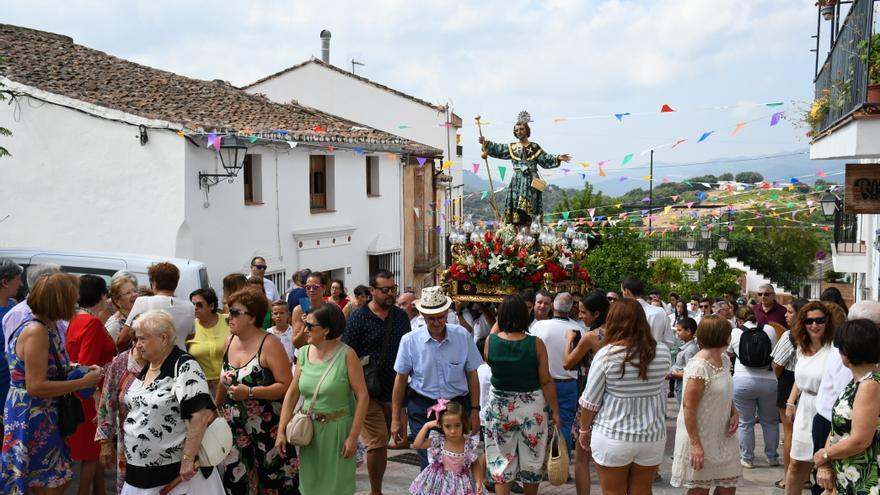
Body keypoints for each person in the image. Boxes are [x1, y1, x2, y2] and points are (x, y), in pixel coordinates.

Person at [1, 272, 105, 494]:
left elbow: (43, 368)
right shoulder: (36, 331)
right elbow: (35, 385)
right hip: (33, 414)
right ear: (60, 301)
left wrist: (78, 369)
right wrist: (82, 382)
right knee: (50, 483)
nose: (76, 301)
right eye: (72, 297)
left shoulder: (44, 327)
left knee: (53, 479)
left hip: (40, 413)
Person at [577, 298, 672, 495]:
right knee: (643, 490)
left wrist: (584, 430)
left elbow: (590, 402)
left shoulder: (606, 355)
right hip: (651, 435)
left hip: (613, 434)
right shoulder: (662, 352)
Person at [122, 310, 223, 493]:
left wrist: (188, 458)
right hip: (140, 472)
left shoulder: (184, 366)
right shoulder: (150, 366)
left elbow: (200, 414)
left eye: (143, 339)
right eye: (136, 340)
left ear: (163, 338)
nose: (137, 345)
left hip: (175, 476)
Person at [276, 302, 369, 495]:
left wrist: (353, 437)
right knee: (310, 488)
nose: (304, 330)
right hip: (309, 434)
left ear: (326, 329)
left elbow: (363, 397)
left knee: (337, 489)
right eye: (304, 324)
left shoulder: (347, 355)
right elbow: (293, 393)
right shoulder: (302, 353)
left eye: (310, 326)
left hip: (338, 434)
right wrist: (281, 431)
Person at [215, 286, 298, 494]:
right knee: (235, 482)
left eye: (234, 313)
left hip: (267, 429)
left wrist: (251, 392)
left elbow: (286, 386)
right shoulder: (230, 341)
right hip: (234, 427)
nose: (228, 318)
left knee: (274, 483)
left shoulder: (270, 344)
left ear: (252, 317)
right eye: (228, 312)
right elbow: (223, 380)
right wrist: (212, 409)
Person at [390, 286, 482, 470]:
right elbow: (400, 380)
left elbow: (472, 375)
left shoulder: (462, 336)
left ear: (447, 313)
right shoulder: (409, 340)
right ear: (422, 316)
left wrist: (475, 410)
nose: (437, 322)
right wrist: (395, 419)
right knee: (430, 462)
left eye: (441, 317)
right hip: (422, 407)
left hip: (457, 406)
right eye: (431, 318)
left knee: (457, 461)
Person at [341, 269, 410, 495]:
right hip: (366, 391)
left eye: (393, 289)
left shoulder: (400, 317)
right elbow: (348, 352)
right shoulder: (358, 317)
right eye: (385, 290)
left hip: (393, 390)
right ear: (372, 291)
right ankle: (376, 490)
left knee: (390, 440)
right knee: (378, 441)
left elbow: (408, 351)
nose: (390, 293)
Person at [483, 294, 561, 495]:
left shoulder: (490, 342)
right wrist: (556, 412)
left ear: (501, 316)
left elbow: (490, 362)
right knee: (533, 456)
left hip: (500, 406)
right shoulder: (536, 344)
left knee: (501, 457)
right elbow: (545, 380)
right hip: (532, 407)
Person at [809, 301, 880, 495]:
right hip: (846, 473)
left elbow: (860, 440)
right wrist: (825, 460)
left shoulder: (870, 385)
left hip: (862, 478)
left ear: (847, 352)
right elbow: (837, 427)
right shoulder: (858, 381)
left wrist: (824, 454)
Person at [670, 315, 741, 492]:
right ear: (722, 336)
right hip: (700, 435)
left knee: (727, 488)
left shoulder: (724, 359)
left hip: (722, 434)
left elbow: (723, 390)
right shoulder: (698, 367)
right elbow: (688, 407)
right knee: (699, 490)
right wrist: (695, 444)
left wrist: (734, 411)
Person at [66, 275, 116, 495]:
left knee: (92, 451)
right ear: (102, 295)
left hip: (82, 389)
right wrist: (96, 395)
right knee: (92, 451)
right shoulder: (92, 322)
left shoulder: (77, 318)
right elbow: (88, 364)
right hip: (92, 392)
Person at [784, 301, 841, 495]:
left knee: (824, 466)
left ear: (827, 322)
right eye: (809, 321)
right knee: (795, 464)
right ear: (803, 322)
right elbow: (799, 379)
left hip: (825, 409)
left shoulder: (835, 349)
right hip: (804, 407)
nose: (814, 325)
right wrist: (791, 401)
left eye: (820, 320)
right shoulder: (802, 347)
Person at [478, 110, 571, 225]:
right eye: (516, 130)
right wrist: (485, 143)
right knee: (516, 213)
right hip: (517, 180)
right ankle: (518, 238)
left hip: (531, 181)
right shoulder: (512, 147)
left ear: (527, 130)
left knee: (529, 213)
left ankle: (530, 235)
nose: (519, 132)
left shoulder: (534, 147)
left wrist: (557, 157)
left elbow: (545, 158)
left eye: (521, 129)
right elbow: (498, 149)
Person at [563, 289, 609, 495]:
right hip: (613, 400)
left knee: (582, 458)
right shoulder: (621, 333)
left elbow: (567, 363)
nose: (580, 316)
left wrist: (568, 340)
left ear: (596, 314)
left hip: (591, 400)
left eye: (583, 312)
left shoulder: (591, 337)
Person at [728, 306, 779, 469]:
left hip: (743, 381)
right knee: (770, 422)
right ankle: (772, 457)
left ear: (739, 320)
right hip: (769, 381)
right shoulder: (769, 330)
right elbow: (774, 351)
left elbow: (729, 352)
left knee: (745, 422)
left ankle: (747, 458)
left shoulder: (736, 332)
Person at [529, 292, 581, 455]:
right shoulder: (578, 329)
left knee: (540, 422)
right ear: (572, 308)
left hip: (542, 382)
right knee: (564, 424)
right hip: (568, 383)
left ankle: (541, 463)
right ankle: (561, 466)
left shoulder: (539, 326)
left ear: (553, 307)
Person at [96, 343, 146, 493]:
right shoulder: (121, 362)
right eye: (139, 339)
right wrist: (105, 441)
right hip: (128, 439)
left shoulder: (168, 360)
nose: (141, 345)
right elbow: (107, 401)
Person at [408, 401, 482, 495]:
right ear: (441, 425)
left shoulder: (468, 444)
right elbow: (417, 445)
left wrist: (478, 481)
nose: (453, 431)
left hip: (461, 485)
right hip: (438, 484)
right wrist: (426, 426)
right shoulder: (438, 441)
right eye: (447, 426)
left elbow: (475, 463)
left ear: (463, 423)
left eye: (457, 425)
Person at [120, 262, 195, 351]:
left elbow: (122, 340)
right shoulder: (189, 307)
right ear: (176, 283)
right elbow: (190, 336)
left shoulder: (143, 301)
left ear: (154, 283)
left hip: (151, 360)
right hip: (179, 360)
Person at [188, 288, 229, 393]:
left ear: (211, 306)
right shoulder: (189, 327)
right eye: (193, 305)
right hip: (204, 386)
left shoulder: (228, 321)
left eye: (199, 305)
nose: (195, 308)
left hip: (230, 382)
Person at [621, 276, 675, 348]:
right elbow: (669, 341)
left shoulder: (622, 313)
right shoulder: (660, 312)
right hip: (658, 356)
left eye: (622, 291)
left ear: (626, 291)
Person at [0, 258, 23, 427]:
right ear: (5, 282)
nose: (21, 284)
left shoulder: (13, 305)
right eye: (18, 279)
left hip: (13, 378)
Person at [291, 272, 329, 349]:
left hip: (326, 353)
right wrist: (306, 325)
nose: (311, 290)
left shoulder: (331, 308)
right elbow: (297, 344)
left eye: (315, 287)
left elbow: (337, 337)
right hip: (305, 355)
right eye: (308, 287)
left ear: (324, 288)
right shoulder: (299, 310)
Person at [670, 317, 698, 407]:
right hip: (680, 386)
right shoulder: (685, 346)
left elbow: (690, 373)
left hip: (684, 387)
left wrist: (672, 375)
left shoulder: (690, 350)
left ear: (688, 332)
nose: (677, 332)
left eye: (679, 330)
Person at [106, 276, 139, 349]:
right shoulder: (114, 325)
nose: (134, 295)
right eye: (128, 293)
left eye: (135, 291)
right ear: (117, 301)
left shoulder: (137, 317)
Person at [270, 300, 297, 365]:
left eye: (282, 313)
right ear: (272, 315)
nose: (278, 316)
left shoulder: (293, 332)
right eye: (276, 313)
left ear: (288, 314)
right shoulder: (268, 333)